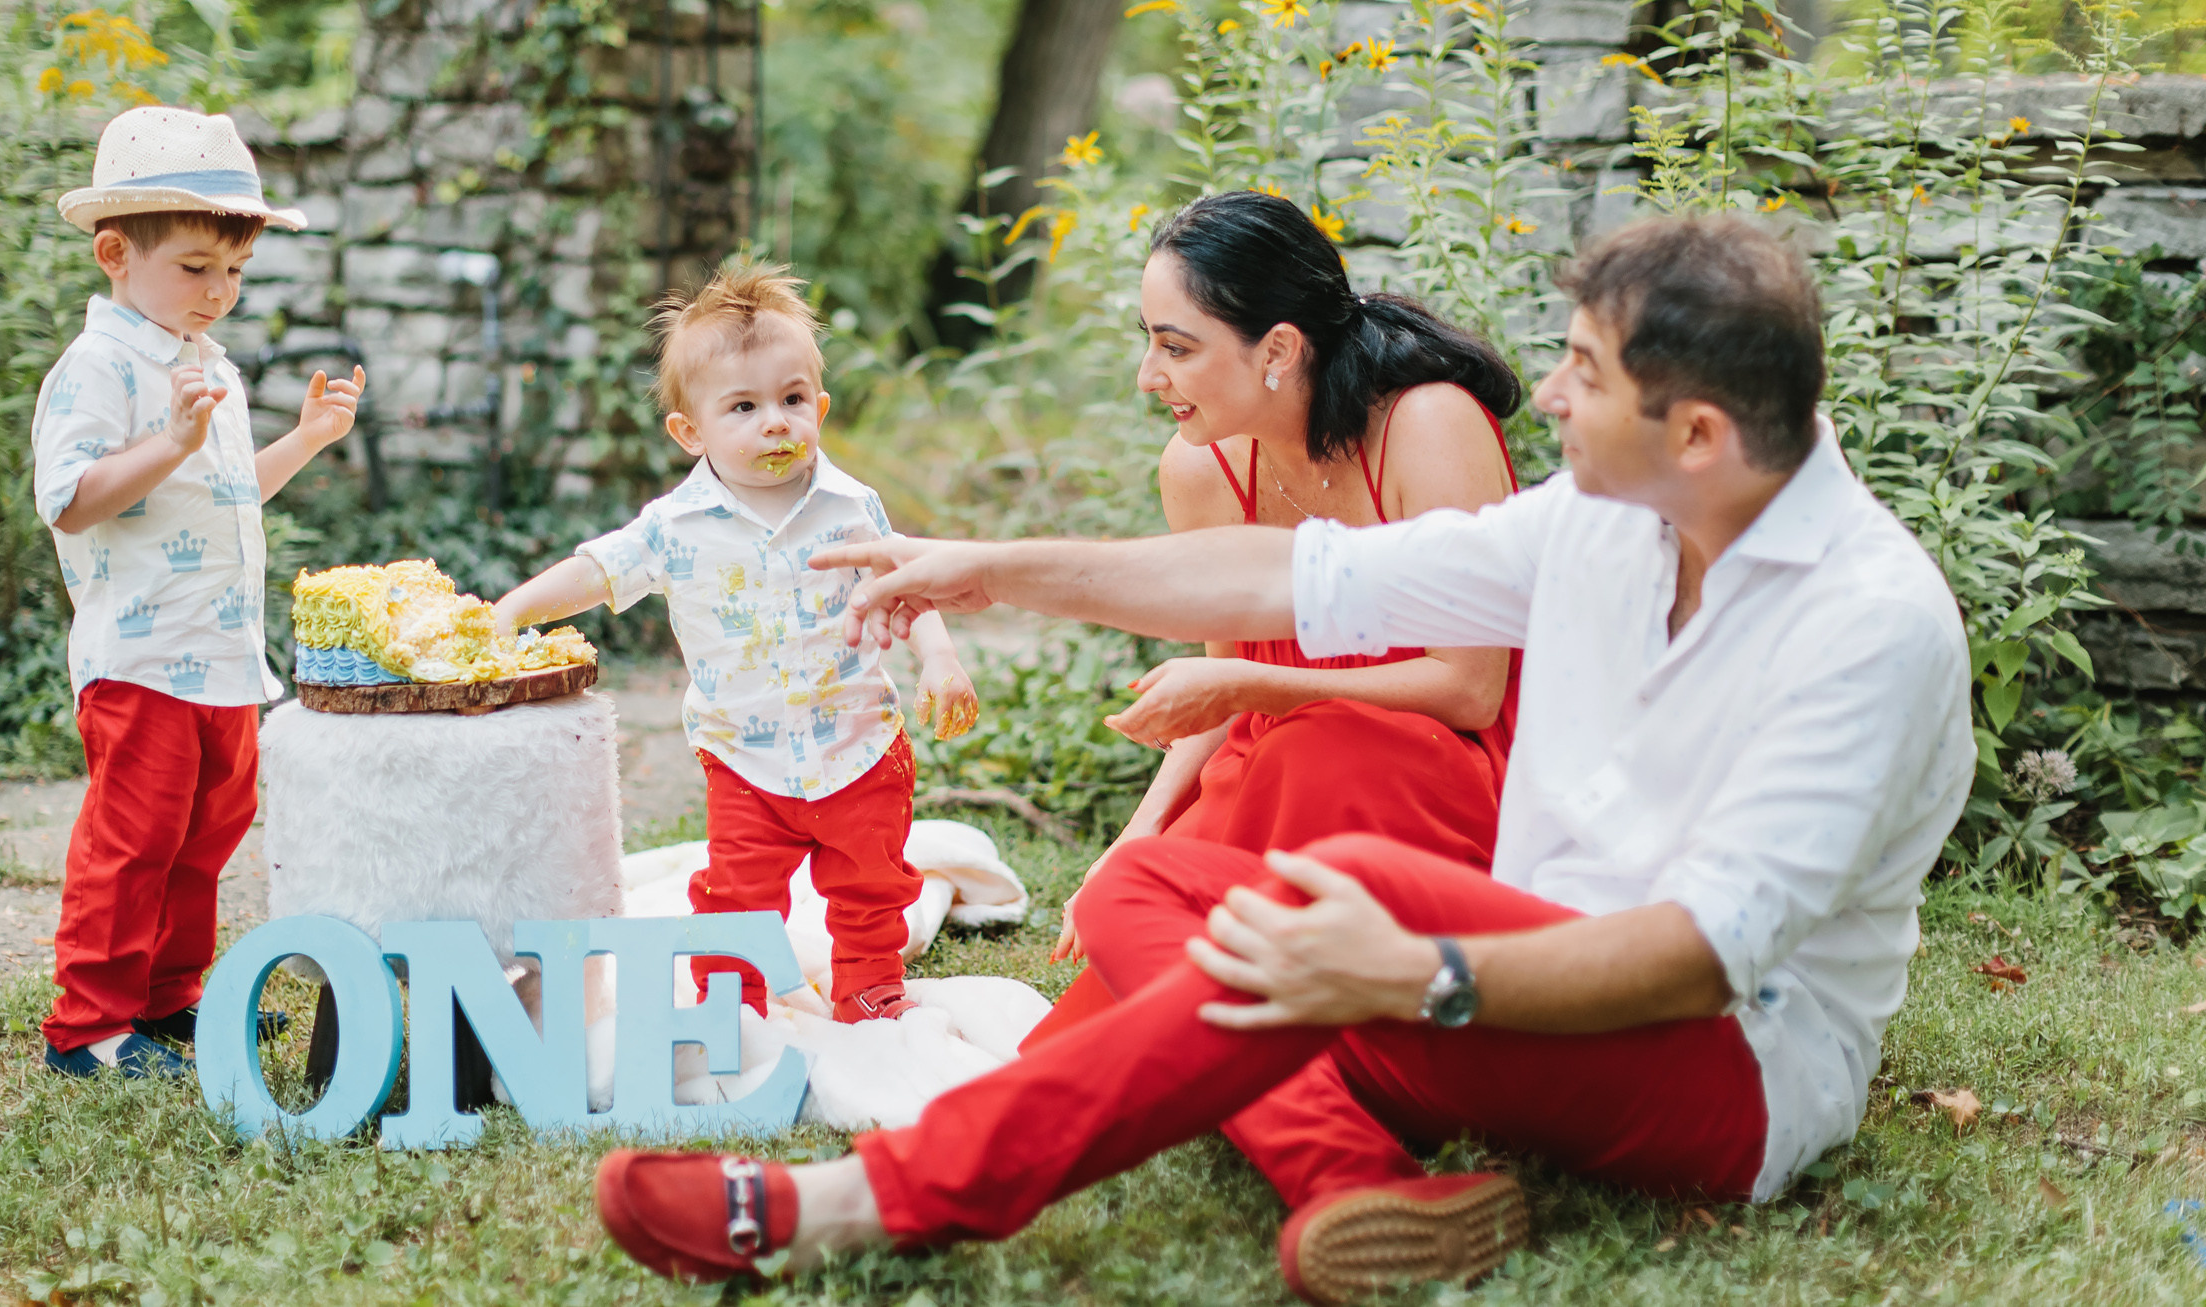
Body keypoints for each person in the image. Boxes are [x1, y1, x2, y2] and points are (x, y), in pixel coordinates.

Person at [589, 215, 1974, 1303]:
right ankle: (1357, 1175)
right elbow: (1291, 579)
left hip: (1727, 1072)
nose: (1547, 392)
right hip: (1515, 989)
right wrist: (984, 567)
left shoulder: (1866, 625)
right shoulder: (1606, 521)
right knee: (1148, 891)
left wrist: (1418, 971)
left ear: (1701, 435)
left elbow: (1698, 958)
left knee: (1352, 886)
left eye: (1586, 373)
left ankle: (855, 1203)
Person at [1038, 190, 1524, 1051]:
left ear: (1278, 349)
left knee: (1313, 751)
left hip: (1441, 775)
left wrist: (1248, 684)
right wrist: (1137, 831)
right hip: (1271, 775)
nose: (1148, 376)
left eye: (1176, 347)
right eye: (1149, 341)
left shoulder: (1429, 425)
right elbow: (1219, 698)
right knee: (1132, 928)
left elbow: (1471, 688)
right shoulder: (1198, 469)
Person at [492, 261, 980, 1023]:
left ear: (819, 406)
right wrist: (513, 610)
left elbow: (905, 586)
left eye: (792, 399)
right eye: (744, 406)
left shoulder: (851, 507)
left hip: (858, 744)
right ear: (691, 431)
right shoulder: (673, 526)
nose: (775, 422)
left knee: (873, 880)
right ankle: (732, 1003)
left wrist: (940, 657)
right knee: (735, 896)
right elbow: (598, 570)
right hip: (744, 758)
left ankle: (869, 984)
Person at [34, 106, 366, 1079]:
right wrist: (172, 441)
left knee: (203, 839)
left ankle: (169, 998)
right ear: (114, 254)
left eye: (235, 270)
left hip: (222, 656)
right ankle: (89, 1028)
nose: (219, 291)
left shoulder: (201, 361)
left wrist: (305, 439)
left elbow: (225, 493)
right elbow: (71, 501)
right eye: (195, 267)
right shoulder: (98, 368)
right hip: (141, 658)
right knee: (133, 842)